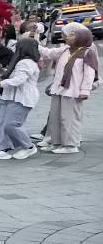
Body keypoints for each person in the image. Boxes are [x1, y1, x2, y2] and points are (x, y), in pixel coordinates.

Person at [41, 23, 97, 154]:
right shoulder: (65, 49)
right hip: (58, 89)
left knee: (69, 119)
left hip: (73, 91)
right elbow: (48, 53)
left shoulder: (87, 52)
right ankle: (57, 143)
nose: (65, 37)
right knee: (55, 118)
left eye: (70, 35)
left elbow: (89, 74)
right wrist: (32, 41)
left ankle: (71, 145)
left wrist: (85, 90)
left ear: (80, 36)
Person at [0, 35, 41, 160]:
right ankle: (2, 149)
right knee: (2, 124)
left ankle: (28, 147)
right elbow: (14, 76)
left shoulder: (27, 63)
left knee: (12, 124)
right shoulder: (22, 62)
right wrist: (2, 70)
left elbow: (18, 80)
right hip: (10, 96)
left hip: (21, 97)